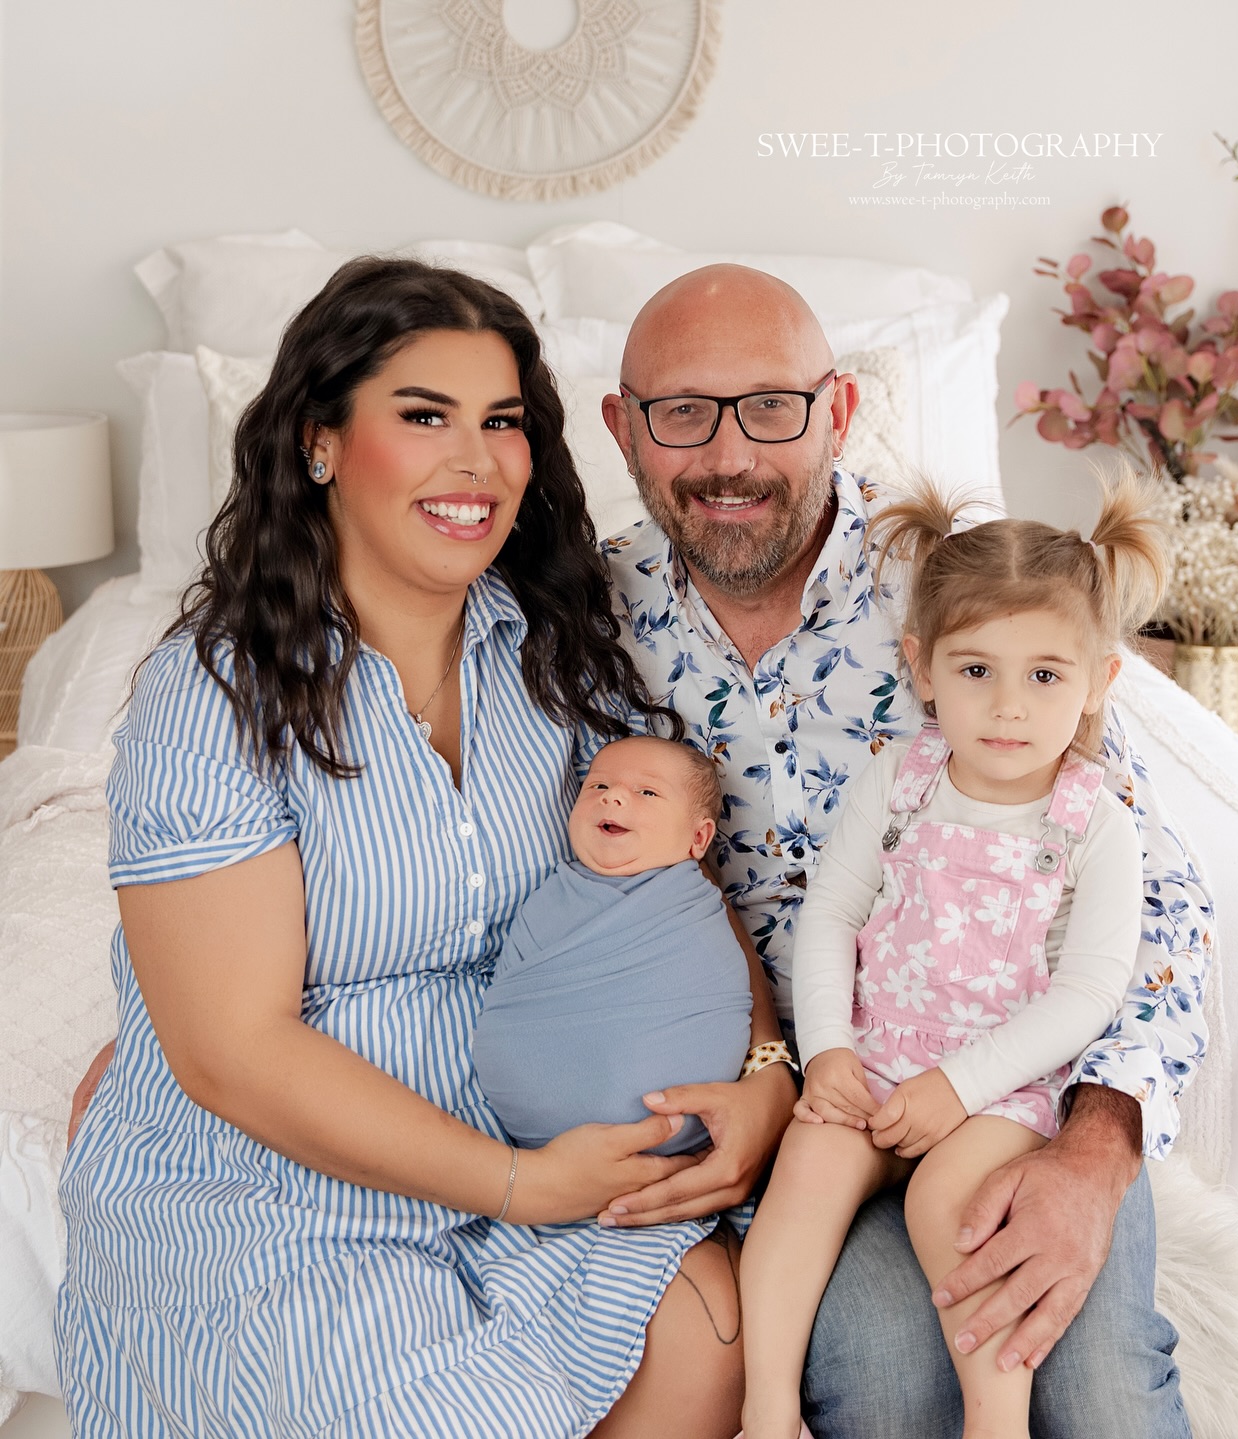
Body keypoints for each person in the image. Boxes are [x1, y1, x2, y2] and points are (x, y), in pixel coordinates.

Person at [56, 257, 793, 1438]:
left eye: (501, 422)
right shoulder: (215, 695)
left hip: (536, 1149)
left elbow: (670, 892)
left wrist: (765, 1078)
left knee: (709, 1328)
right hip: (286, 1184)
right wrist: (518, 1183)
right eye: (423, 417)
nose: (476, 461)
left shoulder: (562, 654)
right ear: (321, 444)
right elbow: (234, 1051)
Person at [597, 264, 1210, 1438]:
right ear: (624, 427)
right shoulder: (590, 619)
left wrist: (1096, 1149)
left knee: (1094, 1374)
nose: (730, 454)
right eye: (683, 411)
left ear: (839, 408)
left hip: (1013, 1083)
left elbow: (1163, 912)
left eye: (771, 405)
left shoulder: (981, 596)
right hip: (823, 1085)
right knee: (879, 1380)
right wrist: (789, 1063)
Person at [738, 477, 1168, 1439]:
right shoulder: (901, 778)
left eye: (1046, 676)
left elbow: (1091, 989)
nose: (1008, 708)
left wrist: (959, 1084)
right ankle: (766, 1410)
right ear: (921, 666)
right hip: (878, 1056)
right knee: (806, 1170)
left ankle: (995, 1418)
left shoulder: (1093, 821)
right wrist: (831, 1049)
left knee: (952, 1197)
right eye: (976, 671)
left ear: (1102, 679)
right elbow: (833, 913)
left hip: (995, 1084)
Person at [472, 734, 755, 1156]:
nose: (613, 797)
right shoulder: (551, 895)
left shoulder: (692, 909)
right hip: (527, 1138)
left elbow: (720, 992)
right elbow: (516, 995)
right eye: (597, 786)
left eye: (647, 791)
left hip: (676, 1119)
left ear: (699, 838)